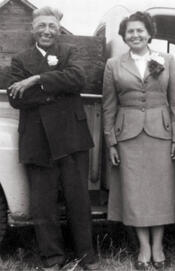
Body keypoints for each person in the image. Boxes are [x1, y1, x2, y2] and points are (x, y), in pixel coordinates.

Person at [7, 6, 98, 271]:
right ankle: (52, 258)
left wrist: (36, 79)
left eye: (52, 27)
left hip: (71, 137)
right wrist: (58, 91)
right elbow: (17, 98)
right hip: (37, 140)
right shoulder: (20, 60)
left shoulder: (70, 53)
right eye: (42, 26)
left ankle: (87, 256)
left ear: (58, 30)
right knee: (43, 204)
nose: (47, 31)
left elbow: (78, 78)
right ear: (33, 29)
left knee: (78, 200)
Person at [102, 11, 175, 270]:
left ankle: (158, 246)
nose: (135, 35)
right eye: (130, 32)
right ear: (124, 36)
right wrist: (111, 141)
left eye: (140, 30)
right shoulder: (114, 64)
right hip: (128, 136)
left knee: (160, 193)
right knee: (134, 193)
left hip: (161, 134)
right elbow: (108, 107)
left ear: (149, 33)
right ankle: (143, 247)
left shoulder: (167, 60)